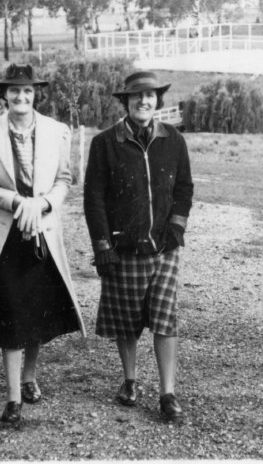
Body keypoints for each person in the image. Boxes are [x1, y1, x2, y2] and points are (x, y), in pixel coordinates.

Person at [0, 64, 85, 425]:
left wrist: (41, 204)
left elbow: (64, 180)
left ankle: (30, 378)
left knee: (37, 310)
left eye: (27, 91)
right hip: (5, 233)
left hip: (41, 233)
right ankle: (13, 398)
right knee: (12, 312)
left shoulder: (56, 131)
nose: (21, 97)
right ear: (3, 95)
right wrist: (17, 202)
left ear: (35, 94)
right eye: (14, 91)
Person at [84, 70, 194, 422]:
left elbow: (184, 188)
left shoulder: (173, 139)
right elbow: (94, 198)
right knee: (127, 321)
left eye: (150, 96)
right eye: (136, 97)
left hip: (164, 249)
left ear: (157, 101)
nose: (144, 102)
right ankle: (130, 380)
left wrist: (175, 228)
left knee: (165, 319)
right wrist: (103, 244)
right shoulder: (105, 143)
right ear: (125, 102)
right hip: (124, 249)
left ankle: (167, 392)